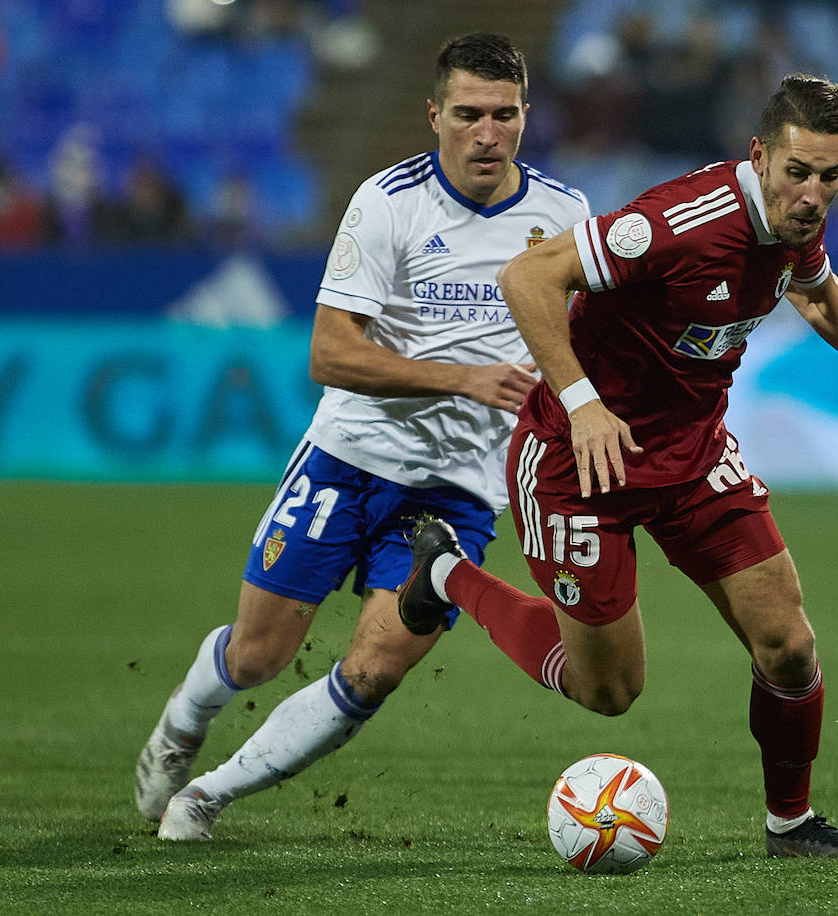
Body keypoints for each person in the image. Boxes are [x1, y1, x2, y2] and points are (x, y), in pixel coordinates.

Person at [397, 73, 838, 861]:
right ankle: (446, 575)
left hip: (694, 455)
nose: (813, 193)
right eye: (799, 172)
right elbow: (528, 276)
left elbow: (814, 290)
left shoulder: (795, 222)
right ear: (759, 156)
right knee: (608, 691)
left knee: (789, 645)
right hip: (580, 462)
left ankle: (791, 824)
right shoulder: (676, 223)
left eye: (832, 175)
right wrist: (582, 402)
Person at [136, 31, 590, 840]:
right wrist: (463, 377)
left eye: (505, 115)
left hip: (460, 489)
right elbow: (329, 352)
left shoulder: (564, 216)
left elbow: (587, 341)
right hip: (347, 461)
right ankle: (182, 721)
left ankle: (205, 796)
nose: (487, 133)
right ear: (434, 115)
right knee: (257, 656)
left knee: (378, 665)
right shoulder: (388, 201)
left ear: (526, 115)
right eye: (468, 114)